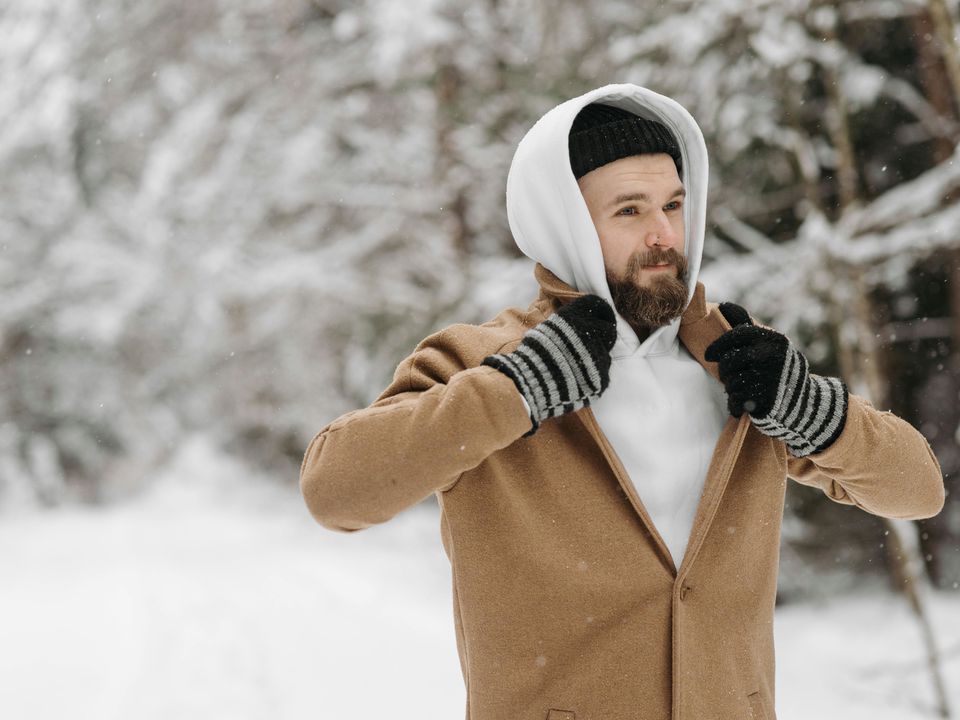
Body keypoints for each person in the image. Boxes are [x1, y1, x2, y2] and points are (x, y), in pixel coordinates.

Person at [299, 84, 945, 720]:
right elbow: (336, 490)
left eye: (674, 204)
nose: (665, 234)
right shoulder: (482, 362)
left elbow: (917, 489)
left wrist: (808, 406)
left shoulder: (739, 363)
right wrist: (518, 388)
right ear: (567, 225)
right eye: (630, 211)